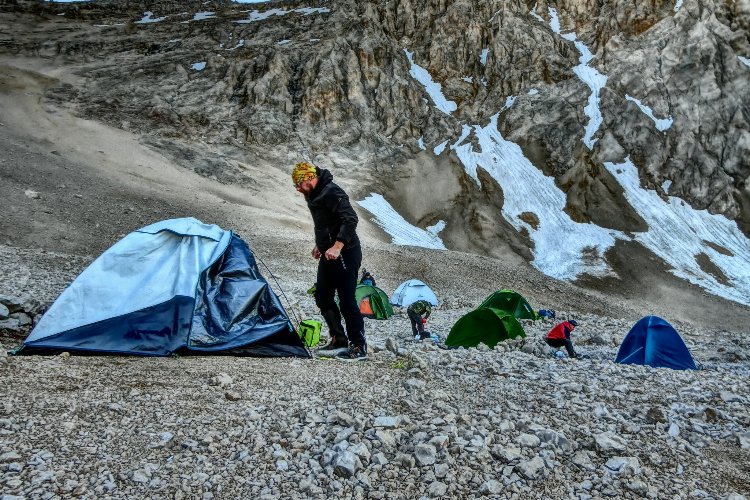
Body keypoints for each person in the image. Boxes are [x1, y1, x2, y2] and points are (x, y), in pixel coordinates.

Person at [292, 161, 367, 360]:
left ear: (309, 177)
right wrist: (321, 245)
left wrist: (338, 245)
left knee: (346, 301)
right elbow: (326, 224)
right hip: (329, 254)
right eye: (296, 186)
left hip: (346, 253)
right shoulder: (313, 194)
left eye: (299, 184)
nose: (298, 189)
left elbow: (350, 219)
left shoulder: (331, 191)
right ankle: (338, 340)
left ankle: (359, 346)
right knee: (323, 297)